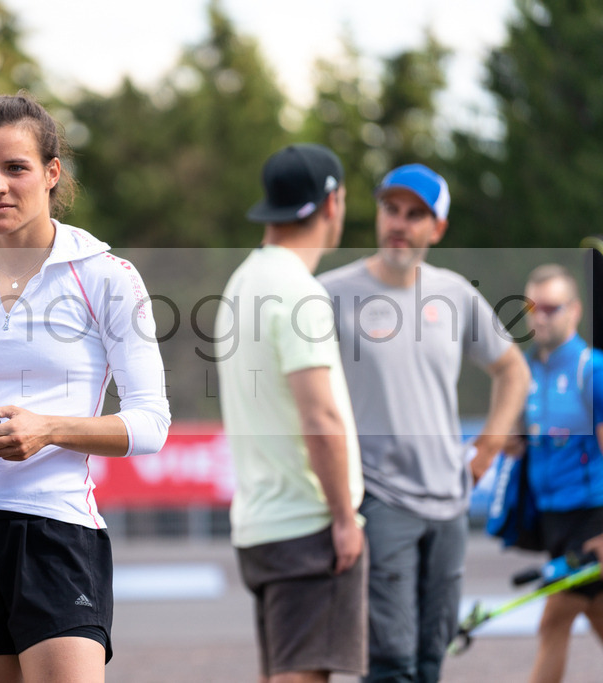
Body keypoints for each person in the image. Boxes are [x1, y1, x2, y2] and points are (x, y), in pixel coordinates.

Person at [0, 93, 171, 683]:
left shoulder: (105, 275)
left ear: (51, 174)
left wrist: (47, 429)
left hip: (57, 531)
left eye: (15, 167)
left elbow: (151, 424)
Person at [318, 163, 531, 683]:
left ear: (437, 229)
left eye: (416, 215)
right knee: (391, 664)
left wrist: (486, 447)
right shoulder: (327, 293)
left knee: (431, 660)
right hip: (380, 500)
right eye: (392, 209)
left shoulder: (454, 293)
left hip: (450, 501)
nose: (400, 223)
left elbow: (513, 370)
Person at [215, 143, 368, 683]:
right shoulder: (299, 291)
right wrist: (345, 518)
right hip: (308, 522)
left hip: (260, 521)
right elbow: (320, 416)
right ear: (332, 203)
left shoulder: (242, 284)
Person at [519, 264, 603, 683]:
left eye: (551, 307)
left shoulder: (594, 371)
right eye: (532, 307)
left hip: (590, 519)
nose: (540, 316)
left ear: (575, 310)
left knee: (552, 623)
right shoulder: (527, 372)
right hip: (553, 520)